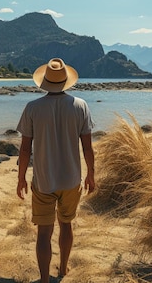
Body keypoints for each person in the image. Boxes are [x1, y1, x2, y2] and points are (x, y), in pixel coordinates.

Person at [16, 58, 96, 283]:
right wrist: (91, 174)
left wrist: (21, 178)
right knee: (66, 224)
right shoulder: (80, 106)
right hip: (71, 179)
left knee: (44, 232)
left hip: (43, 181)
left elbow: (24, 149)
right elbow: (87, 147)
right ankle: (62, 268)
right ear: (66, 81)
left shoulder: (33, 108)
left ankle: (44, 280)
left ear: (45, 81)